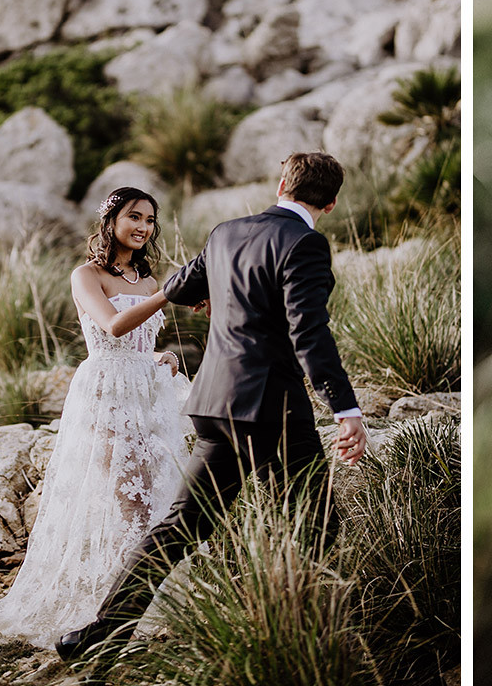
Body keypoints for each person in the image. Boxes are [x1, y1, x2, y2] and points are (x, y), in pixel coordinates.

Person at [56, 151, 369, 664]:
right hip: (273, 411)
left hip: (214, 404)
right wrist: (346, 409)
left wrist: (214, 293)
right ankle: (304, 640)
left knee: (181, 526)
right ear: (330, 203)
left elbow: (179, 285)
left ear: (281, 184)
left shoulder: (226, 232)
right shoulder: (306, 244)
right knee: (316, 525)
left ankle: (99, 635)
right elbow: (309, 331)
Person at [0, 186, 193, 650]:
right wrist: (171, 293)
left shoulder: (148, 280)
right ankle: (113, 609)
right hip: (106, 395)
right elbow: (113, 328)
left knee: (161, 493)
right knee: (128, 499)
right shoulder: (86, 275)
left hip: (147, 394)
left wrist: (164, 356)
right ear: (111, 219)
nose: (143, 227)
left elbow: (137, 343)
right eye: (134, 216)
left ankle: (149, 601)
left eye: (151, 220)